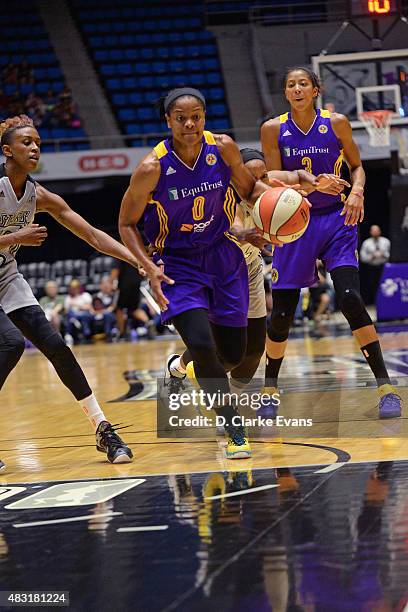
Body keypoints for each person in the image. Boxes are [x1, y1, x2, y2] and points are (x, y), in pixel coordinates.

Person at [118, 87, 345, 458]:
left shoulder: (222, 148)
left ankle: (181, 368)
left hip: (225, 257)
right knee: (204, 346)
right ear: (168, 121)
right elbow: (126, 223)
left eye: (197, 116)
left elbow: (250, 187)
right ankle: (233, 427)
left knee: (233, 355)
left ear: (205, 117)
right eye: (181, 118)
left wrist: (281, 206)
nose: (190, 124)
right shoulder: (151, 169)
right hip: (178, 264)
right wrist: (148, 268)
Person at [0, 114, 140, 470]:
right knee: (12, 343)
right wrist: (16, 238)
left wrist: (137, 260)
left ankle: (102, 429)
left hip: (5, 279)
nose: (34, 148)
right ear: (7, 151)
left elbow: (92, 234)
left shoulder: (38, 195)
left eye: (37, 143)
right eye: (26, 143)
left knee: (58, 347)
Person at [260, 66, 402, 418]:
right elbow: (272, 179)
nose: (296, 89)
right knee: (281, 314)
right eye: (290, 84)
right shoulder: (273, 129)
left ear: (315, 89)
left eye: (302, 84)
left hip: (335, 220)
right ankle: (269, 390)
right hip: (295, 221)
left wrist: (357, 191)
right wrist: (310, 185)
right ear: (286, 93)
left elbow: (357, 166)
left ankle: (386, 387)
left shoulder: (336, 123)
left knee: (352, 299)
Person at [360, 224, 390, 304]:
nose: (376, 232)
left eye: (377, 230)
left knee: (385, 284)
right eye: (374, 231)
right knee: (372, 285)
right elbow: (362, 257)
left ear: (380, 231)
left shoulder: (386, 241)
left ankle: (385, 302)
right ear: (370, 232)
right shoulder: (366, 243)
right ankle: (374, 302)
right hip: (371, 267)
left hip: (383, 267)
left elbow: (392, 255)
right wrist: (371, 256)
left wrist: (383, 254)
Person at [64, 279, 93, 344]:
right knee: (71, 313)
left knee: (81, 316)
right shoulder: (68, 298)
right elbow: (66, 311)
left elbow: (89, 307)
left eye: (76, 287)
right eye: (72, 288)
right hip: (72, 314)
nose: (74, 289)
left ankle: (74, 324)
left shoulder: (85, 295)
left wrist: (77, 305)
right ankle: (76, 323)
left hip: (85, 314)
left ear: (79, 287)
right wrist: (81, 306)